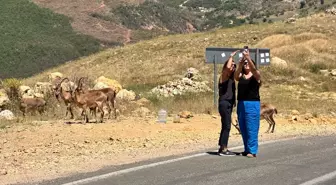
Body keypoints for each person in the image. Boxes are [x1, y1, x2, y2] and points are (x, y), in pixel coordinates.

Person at [234, 49, 261, 158]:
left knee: (252, 127)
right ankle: (247, 149)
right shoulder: (240, 76)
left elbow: (255, 70)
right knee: (243, 127)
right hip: (241, 103)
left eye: (248, 63)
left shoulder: (256, 75)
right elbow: (236, 76)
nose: (246, 64)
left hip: (252, 103)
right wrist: (240, 63)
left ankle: (252, 150)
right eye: (245, 63)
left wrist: (248, 58)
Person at [217, 50, 239, 156]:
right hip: (224, 103)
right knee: (227, 126)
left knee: (225, 125)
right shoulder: (224, 76)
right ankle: (224, 148)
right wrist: (231, 57)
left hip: (228, 104)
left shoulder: (231, 78)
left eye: (235, 66)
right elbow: (227, 68)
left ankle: (222, 146)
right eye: (232, 65)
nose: (233, 67)